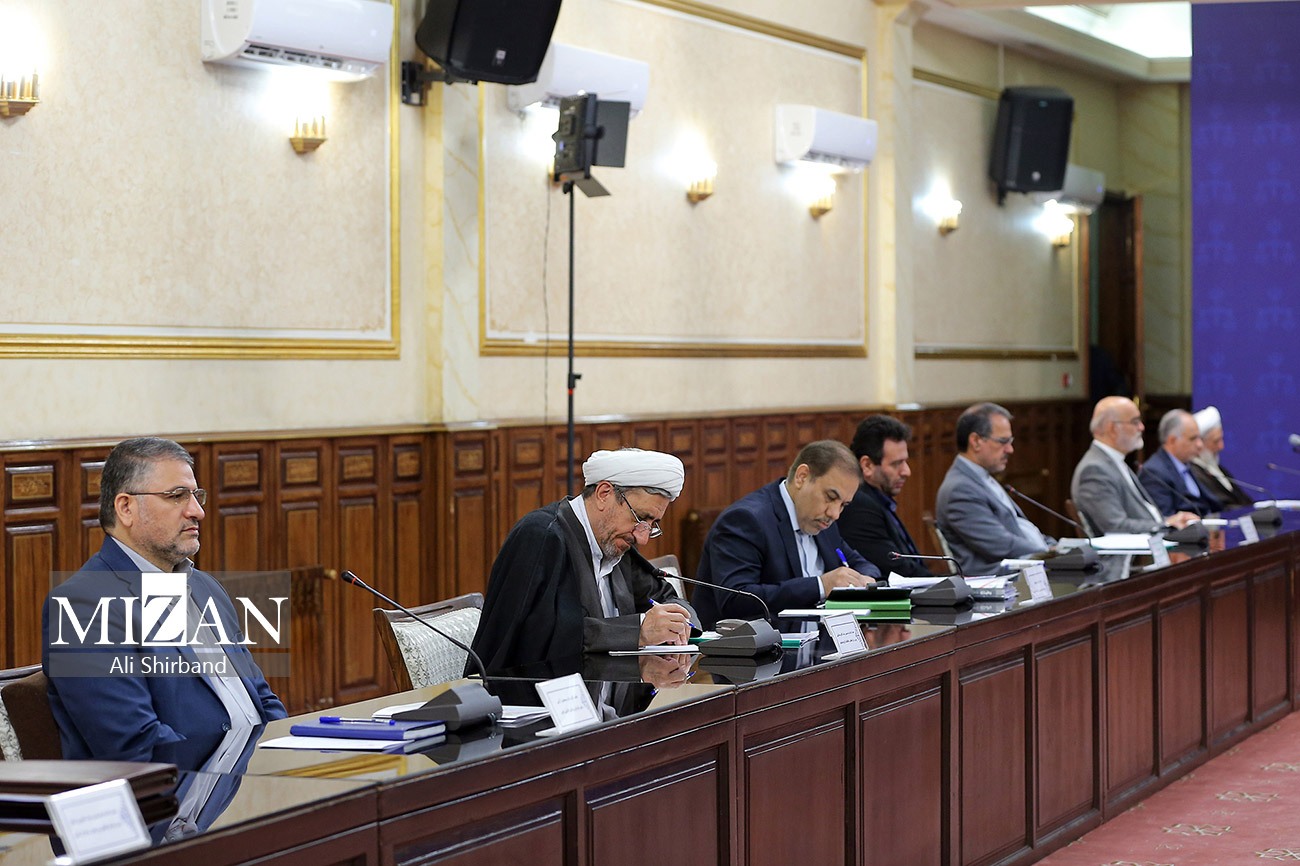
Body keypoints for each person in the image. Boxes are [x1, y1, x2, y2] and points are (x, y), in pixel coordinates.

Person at [42, 437, 285, 762]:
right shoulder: (83, 605)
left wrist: (285, 761)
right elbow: (136, 746)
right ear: (126, 508)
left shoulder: (206, 588)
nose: (197, 511)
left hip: (252, 780)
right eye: (177, 496)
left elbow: (262, 700)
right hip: (177, 790)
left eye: (196, 496)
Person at [471, 448, 696, 675]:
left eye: (652, 525)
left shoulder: (617, 543)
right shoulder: (541, 536)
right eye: (640, 518)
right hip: (527, 691)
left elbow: (666, 597)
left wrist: (680, 623)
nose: (642, 538)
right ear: (604, 494)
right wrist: (636, 631)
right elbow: (534, 641)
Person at [692, 440, 878, 631]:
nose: (835, 513)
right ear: (802, 477)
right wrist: (820, 586)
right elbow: (736, 598)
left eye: (843, 505)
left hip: (818, 643)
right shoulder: (746, 520)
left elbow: (859, 563)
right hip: (746, 645)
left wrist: (865, 580)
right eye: (830, 497)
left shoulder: (823, 522)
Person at [934, 403, 1055, 574]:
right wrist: (1049, 553)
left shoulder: (981, 477)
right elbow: (1001, 545)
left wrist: (1055, 546)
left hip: (1025, 567)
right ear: (976, 441)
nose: (1010, 449)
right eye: (1003, 442)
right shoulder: (960, 489)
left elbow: (1019, 527)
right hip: (1001, 578)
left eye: (1010, 442)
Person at [1070, 397, 1199, 534]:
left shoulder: (1115, 461)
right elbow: (1115, 527)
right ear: (1112, 429)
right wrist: (1166, 525)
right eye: (1135, 422)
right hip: (1134, 547)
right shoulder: (1094, 469)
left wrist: (1172, 521)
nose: (1141, 427)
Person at [837, 414, 932, 578]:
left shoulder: (876, 499)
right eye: (896, 464)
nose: (906, 472)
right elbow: (898, 572)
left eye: (905, 461)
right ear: (867, 465)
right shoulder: (859, 507)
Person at [1138, 409, 1222, 517]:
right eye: (1193, 439)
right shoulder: (1153, 473)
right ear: (1172, 440)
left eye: (1199, 438)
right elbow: (1165, 520)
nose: (1200, 445)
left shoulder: (1188, 466)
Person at [1190, 406, 1254, 509]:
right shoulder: (1194, 473)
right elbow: (1221, 505)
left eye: (1221, 439)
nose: (1221, 446)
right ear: (1200, 444)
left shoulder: (1219, 469)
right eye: (1216, 441)